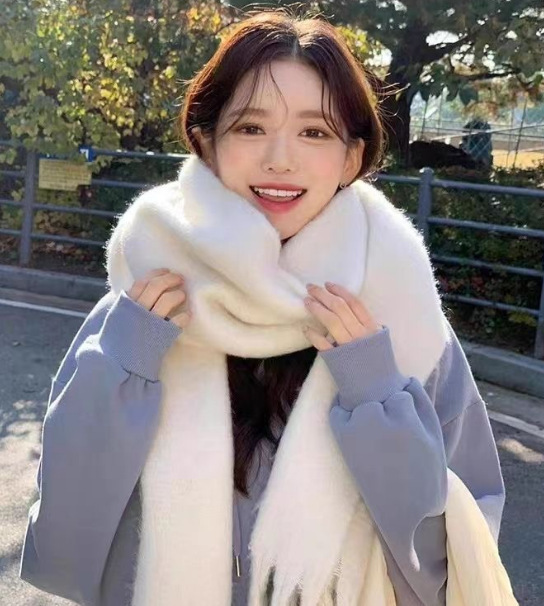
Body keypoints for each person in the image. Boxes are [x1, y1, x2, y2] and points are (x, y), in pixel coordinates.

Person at [19, 9, 512, 606]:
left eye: (315, 132)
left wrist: (378, 400)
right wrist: (122, 373)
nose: (281, 159)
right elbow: (63, 548)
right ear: (208, 144)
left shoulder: (406, 325)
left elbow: (449, 568)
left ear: (351, 158)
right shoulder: (141, 310)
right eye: (251, 127)